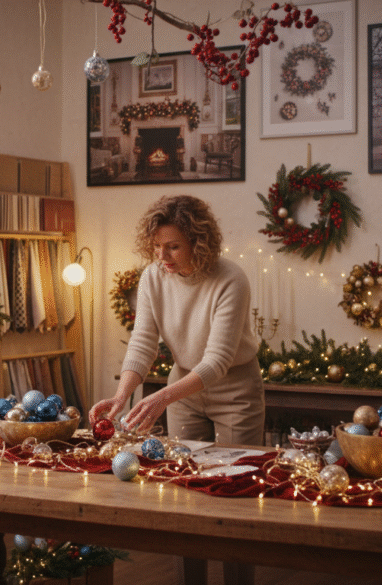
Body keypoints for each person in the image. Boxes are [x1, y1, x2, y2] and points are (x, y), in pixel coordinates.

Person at [88, 194, 262, 585]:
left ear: (199, 243)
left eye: (173, 247)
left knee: (236, 493)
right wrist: (122, 395)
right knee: (185, 491)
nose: (162, 256)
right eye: (156, 247)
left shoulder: (230, 279)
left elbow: (217, 361)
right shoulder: (153, 276)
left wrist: (162, 397)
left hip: (235, 386)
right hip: (183, 382)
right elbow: (143, 342)